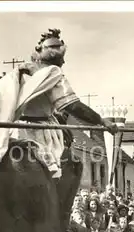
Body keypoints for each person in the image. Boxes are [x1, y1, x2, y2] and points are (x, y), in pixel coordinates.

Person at [15, 29, 118, 178]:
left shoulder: (21, 70)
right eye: (62, 58)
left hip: (14, 129)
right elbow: (72, 106)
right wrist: (102, 121)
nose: (64, 62)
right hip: (38, 133)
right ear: (55, 58)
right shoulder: (53, 73)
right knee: (65, 167)